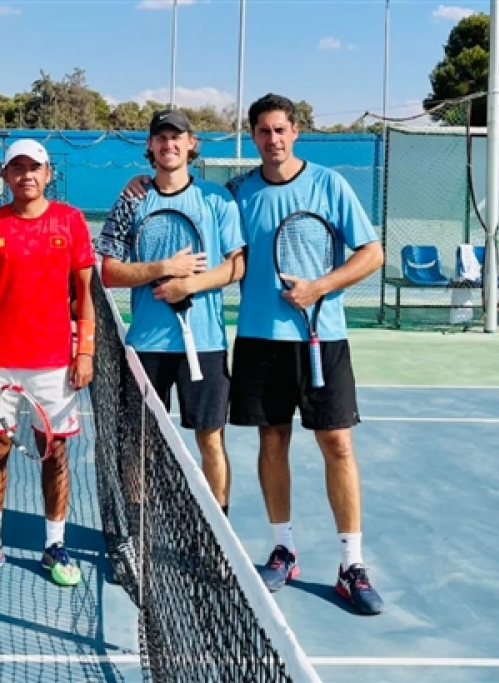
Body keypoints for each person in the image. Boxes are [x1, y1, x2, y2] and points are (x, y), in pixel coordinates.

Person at [125, 95, 385, 615]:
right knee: (272, 442)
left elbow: (371, 253)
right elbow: (216, 232)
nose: (273, 139)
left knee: (337, 445)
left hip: (323, 335)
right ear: (254, 137)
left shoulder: (329, 184)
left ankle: (351, 564)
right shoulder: (238, 192)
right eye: (263, 132)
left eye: (281, 130)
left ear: (296, 132)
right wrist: (139, 184)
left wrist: (320, 288)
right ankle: (283, 549)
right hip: (259, 341)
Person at [0, 139, 97, 588]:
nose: (26, 175)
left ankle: (55, 544)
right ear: (5, 175)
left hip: (54, 363)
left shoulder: (71, 221)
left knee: (54, 455)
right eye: (16, 168)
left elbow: (84, 298)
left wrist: (85, 351)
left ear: (48, 172)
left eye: (34, 167)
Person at [94, 109, 245, 516]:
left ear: (191, 143)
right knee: (140, 441)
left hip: (206, 344)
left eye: (177, 137)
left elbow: (237, 265)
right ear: (149, 146)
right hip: (146, 345)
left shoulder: (217, 198)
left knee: (210, 438)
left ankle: (217, 528)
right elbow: (107, 272)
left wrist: (188, 284)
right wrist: (164, 268)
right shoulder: (130, 200)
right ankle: (138, 523)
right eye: (160, 137)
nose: (169, 144)